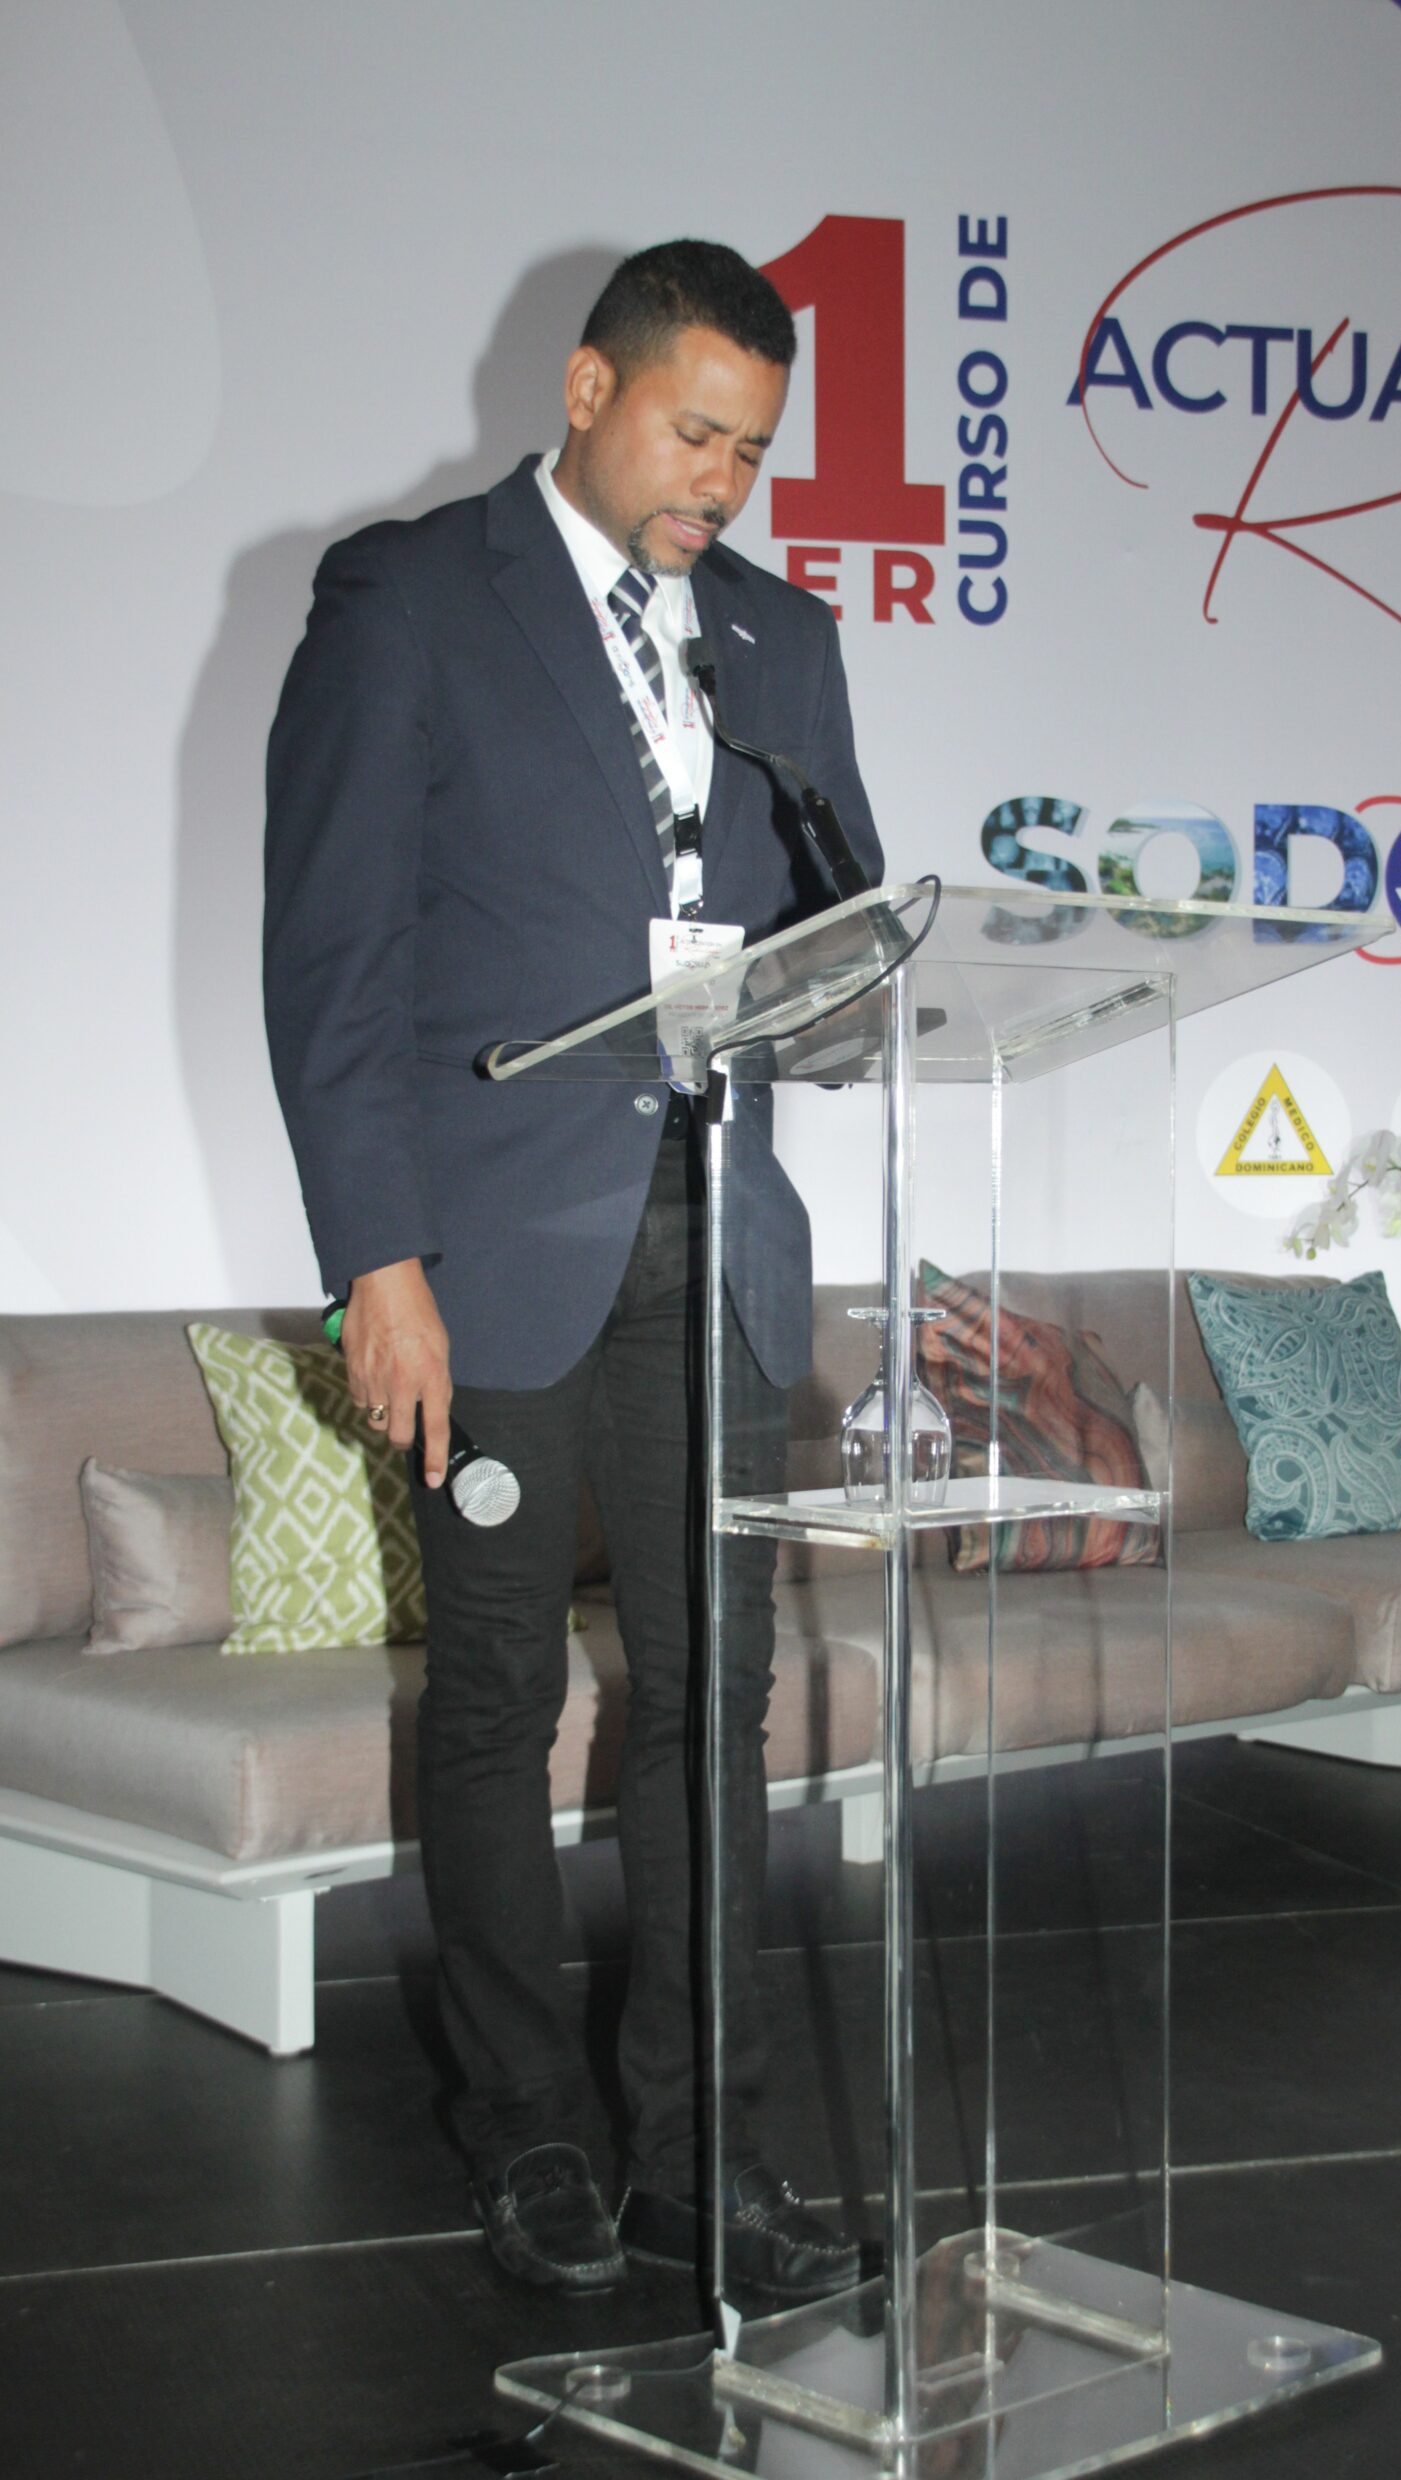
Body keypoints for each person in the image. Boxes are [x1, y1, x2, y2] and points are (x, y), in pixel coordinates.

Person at [263, 241, 882, 2302]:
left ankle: (707, 2153)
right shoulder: (411, 598)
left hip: (718, 1235)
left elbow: (833, 924)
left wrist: (854, 981)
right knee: (499, 1694)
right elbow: (334, 960)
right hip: (493, 1249)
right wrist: (376, 1258)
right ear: (590, 386)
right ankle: (527, 2132)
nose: (723, 480)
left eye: (753, 450)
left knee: (715, 1702)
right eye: (696, 432)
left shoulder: (779, 640)